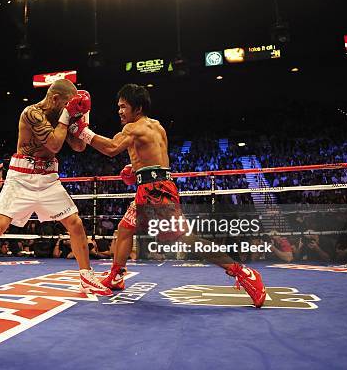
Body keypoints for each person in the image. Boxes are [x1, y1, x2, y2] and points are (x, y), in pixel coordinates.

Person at [68, 83, 266, 308]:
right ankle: (116, 275)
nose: (120, 111)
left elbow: (112, 148)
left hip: (156, 192)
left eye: (124, 106)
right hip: (154, 186)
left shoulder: (132, 129)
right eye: (118, 107)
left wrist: (80, 131)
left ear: (138, 108)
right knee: (125, 228)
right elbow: (157, 160)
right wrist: (135, 170)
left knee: (184, 239)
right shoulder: (157, 126)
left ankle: (243, 272)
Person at [0, 79, 112, 300]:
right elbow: (53, 145)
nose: (69, 108)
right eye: (67, 104)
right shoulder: (31, 113)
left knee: (75, 223)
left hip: (48, 177)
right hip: (21, 177)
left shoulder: (63, 115)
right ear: (54, 99)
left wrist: (82, 118)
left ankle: (86, 276)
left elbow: (78, 147)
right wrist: (68, 116)